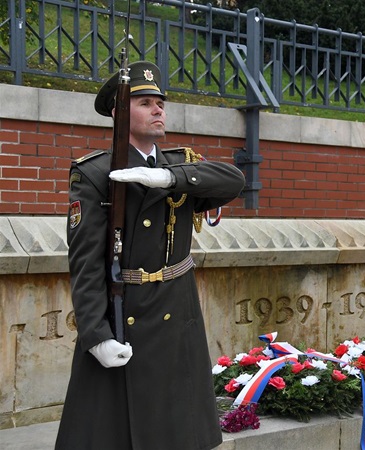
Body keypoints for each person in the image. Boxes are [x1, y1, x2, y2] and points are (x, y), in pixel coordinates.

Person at [55, 61, 246, 450]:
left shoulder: (179, 165)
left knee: (179, 434)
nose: (158, 109)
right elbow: (86, 266)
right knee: (117, 437)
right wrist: (96, 336)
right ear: (119, 112)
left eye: (160, 101)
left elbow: (234, 181)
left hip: (178, 317)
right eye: (145, 102)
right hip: (123, 316)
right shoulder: (96, 174)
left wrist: (169, 178)